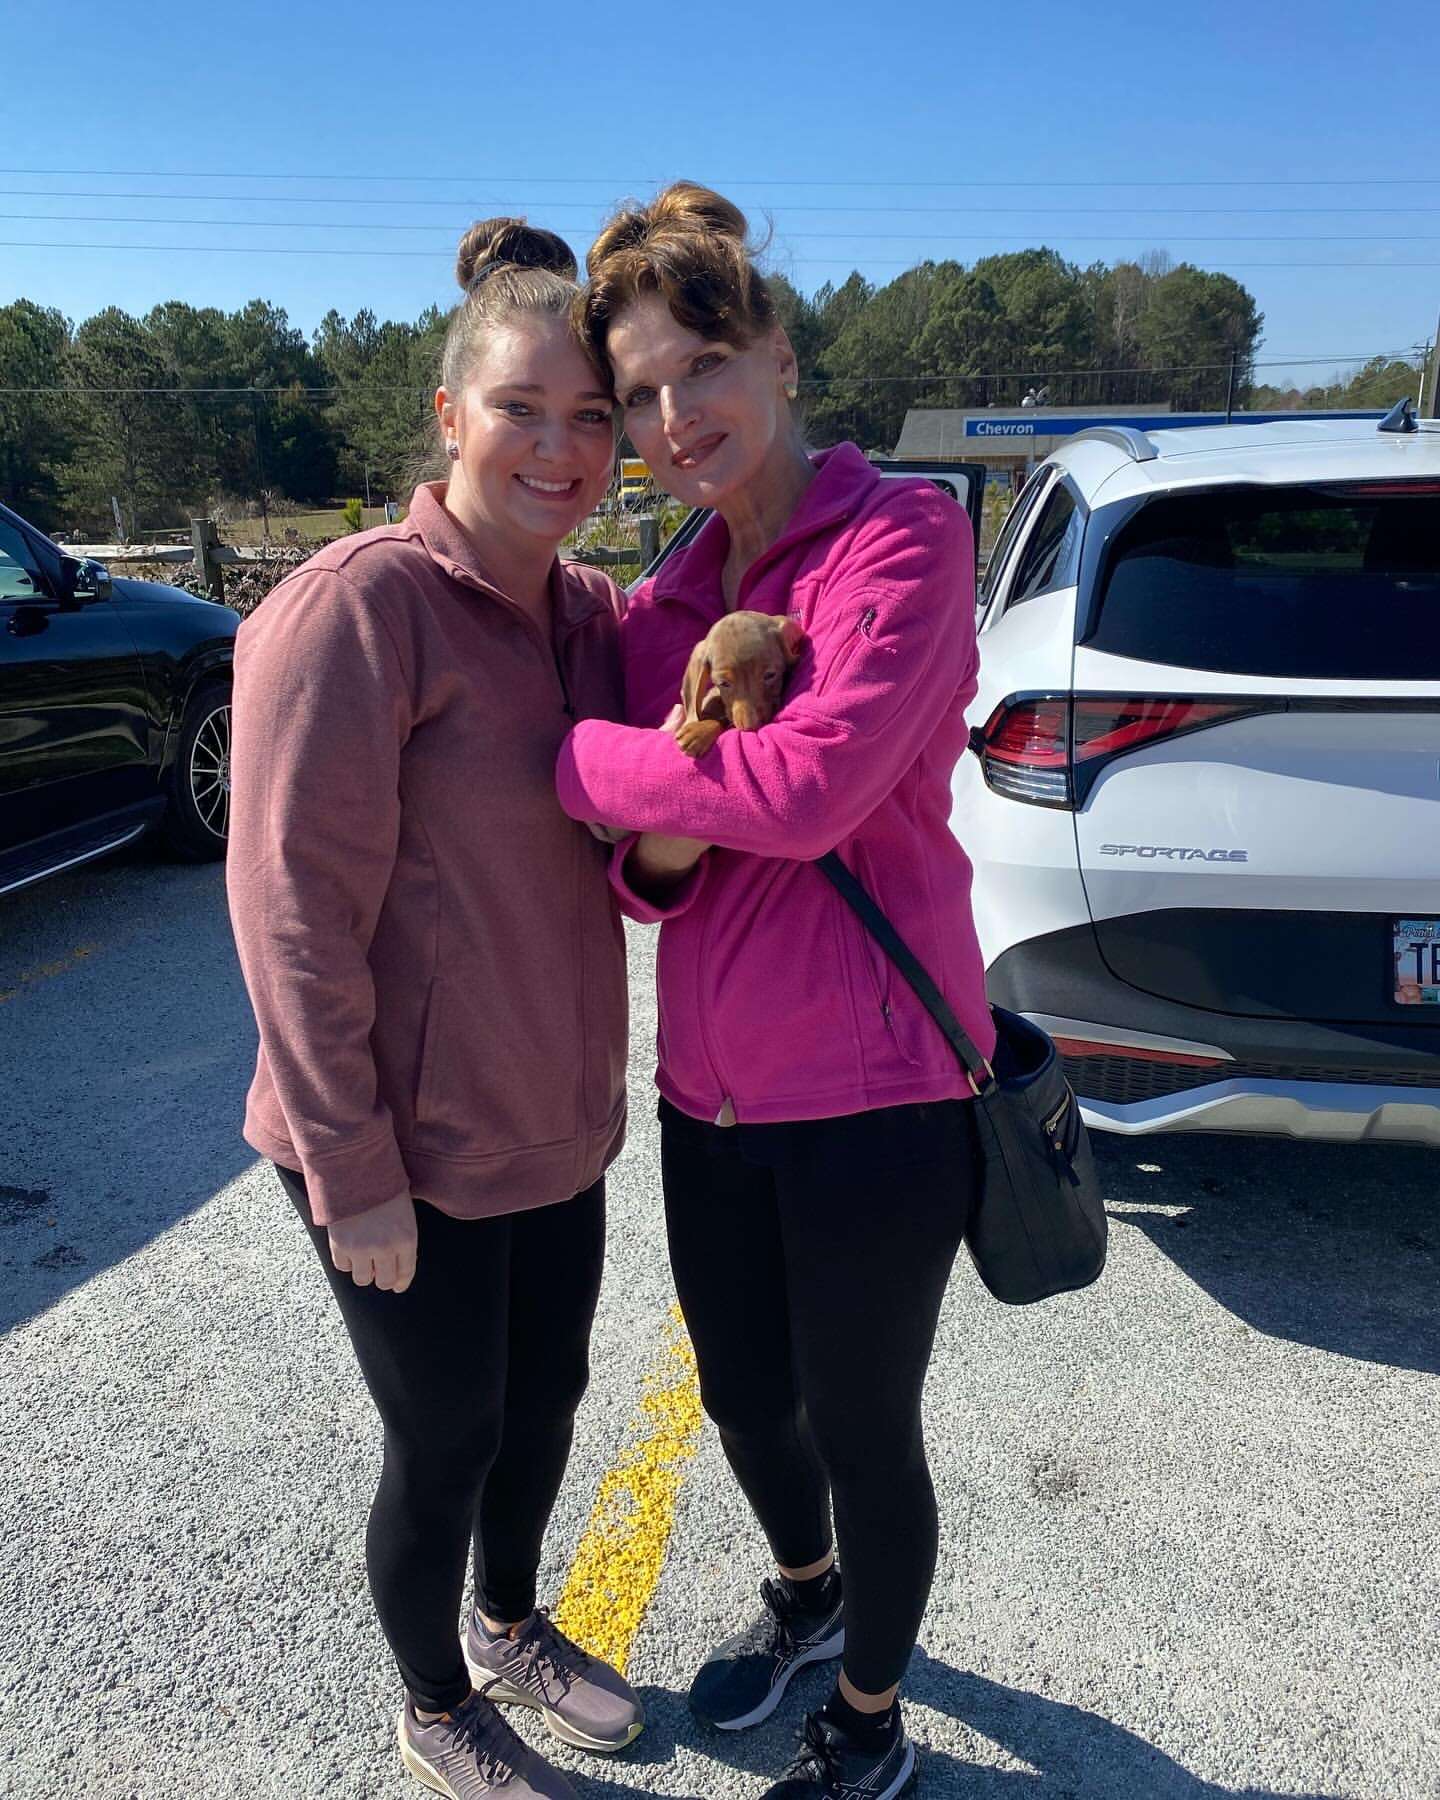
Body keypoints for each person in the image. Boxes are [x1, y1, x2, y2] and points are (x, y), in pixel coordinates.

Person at [555, 183, 996, 1800]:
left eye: (704, 368)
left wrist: (591, 764)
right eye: (644, 395)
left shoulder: (905, 537)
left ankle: (869, 1719)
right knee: (744, 1391)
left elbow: (805, 796)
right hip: (714, 1090)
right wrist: (651, 827)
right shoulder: (671, 596)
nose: (678, 420)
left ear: (783, 359)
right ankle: (811, 1601)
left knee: (862, 1420)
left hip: (880, 1092)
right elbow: (646, 874)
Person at [227, 219, 643, 1800]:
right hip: (396, 1144)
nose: (562, 447)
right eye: (523, 408)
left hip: (554, 1117)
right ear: (448, 416)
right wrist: (353, 1168)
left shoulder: (584, 620)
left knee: (545, 1401)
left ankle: (511, 1619)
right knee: (448, 1436)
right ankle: (432, 1699)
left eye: (593, 417)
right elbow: (289, 912)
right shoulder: (359, 610)